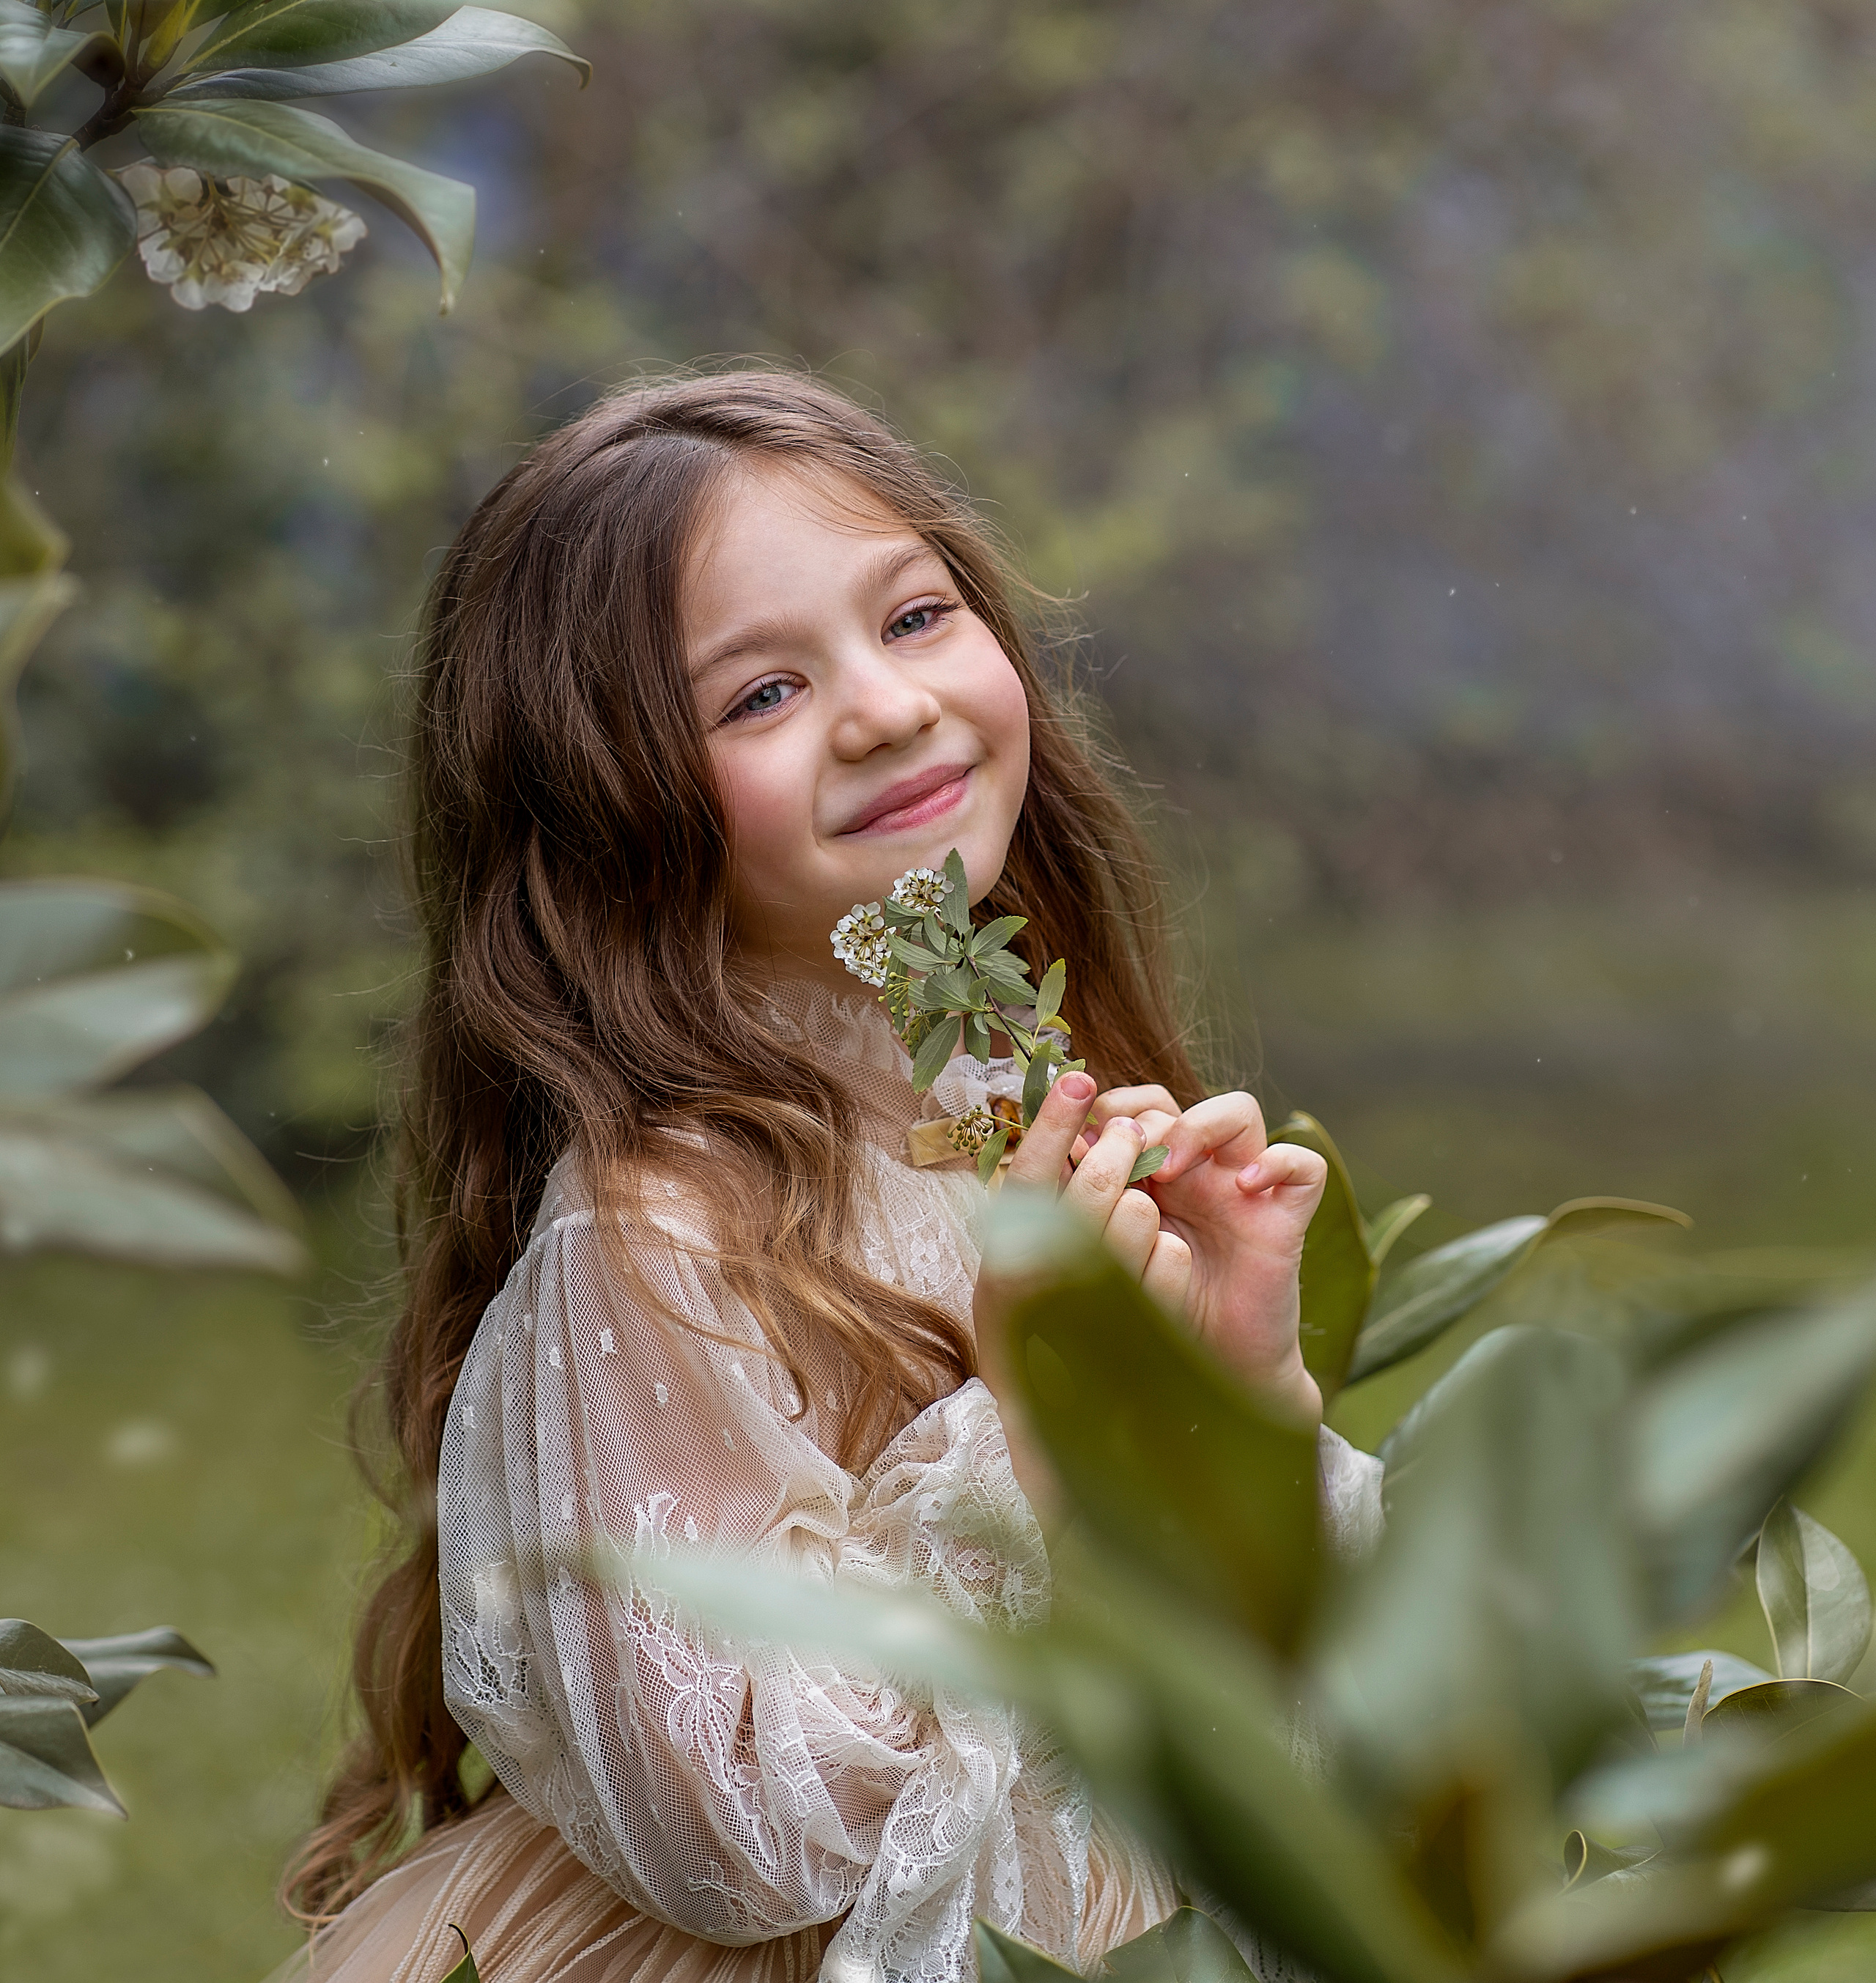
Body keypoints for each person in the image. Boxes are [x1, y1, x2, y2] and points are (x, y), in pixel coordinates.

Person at [277, 370, 1383, 1983]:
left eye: (916, 615)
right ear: (605, 811)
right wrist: (1034, 1431)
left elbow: (1271, 1659)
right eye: (760, 696)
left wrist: (1228, 1385)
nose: (881, 706)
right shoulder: (651, 1237)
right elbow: (729, 1837)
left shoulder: (994, 1075)